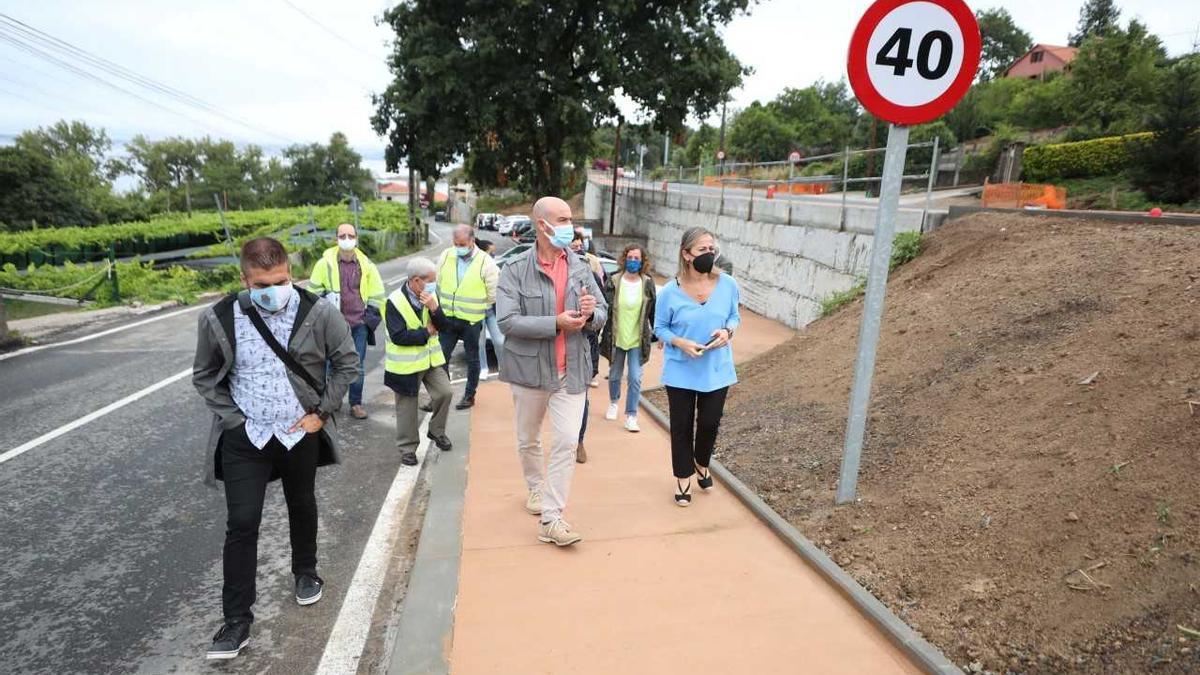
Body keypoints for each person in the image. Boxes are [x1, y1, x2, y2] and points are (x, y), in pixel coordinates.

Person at [193, 237, 359, 660]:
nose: (274, 289)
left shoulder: (318, 311)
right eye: (263, 283)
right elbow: (205, 376)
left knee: (301, 502)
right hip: (245, 438)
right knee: (242, 523)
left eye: (281, 280)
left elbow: (347, 363)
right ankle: (236, 622)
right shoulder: (218, 318)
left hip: (298, 431)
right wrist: (235, 421)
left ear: (290, 272)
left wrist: (321, 413)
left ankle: (306, 572)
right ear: (245, 279)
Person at [496, 196, 607, 546]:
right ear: (542, 224)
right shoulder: (514, 270)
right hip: (530, 372)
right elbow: (507, 321)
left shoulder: (579, 266)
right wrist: (555, 324)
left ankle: (552, 517)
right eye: (562, 219)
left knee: (565, 442)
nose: (569, 225)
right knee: (528, 438)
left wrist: (590, 314)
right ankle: (534, 488)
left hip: (571, 371)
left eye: (570, 218)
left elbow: (602, 310)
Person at [653, 227, 740, 508]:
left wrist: (728, 331)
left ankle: (702, 462)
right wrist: (679, 341)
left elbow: (734, 317)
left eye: (712, 249)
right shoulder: (669, 291)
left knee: (709, 423)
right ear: (686, 255)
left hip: (717, 369)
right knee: (680, 426)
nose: (709, 254)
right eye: (702, 249)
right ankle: (683, 477)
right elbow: (659, 328)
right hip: (680, 369)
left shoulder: (728, 284)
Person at [306, 223, 386, 420]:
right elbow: (312, 293)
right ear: (336, 239)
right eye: (343, 235)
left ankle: (356, 403)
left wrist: (369, 320)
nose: (347, 239)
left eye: (351, 235)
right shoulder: (324, 264)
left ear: (356, 238)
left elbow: (377, 295)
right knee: (330, 366)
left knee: (356, 366)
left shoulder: (366, 265)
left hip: (359, 324)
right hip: (333, 325)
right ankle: (331, 403)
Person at [385, 257, 454, 466]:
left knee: (445, 392)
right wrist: (425, 332)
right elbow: (398, 336)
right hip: (405, 366)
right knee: (406, 408)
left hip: (430, 360)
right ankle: (408, 449)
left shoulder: (430, 296)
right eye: (430, 280)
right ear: (416, 281)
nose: (434, 283)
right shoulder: (394, 301)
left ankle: (436, 431)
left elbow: (443, 326)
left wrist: (434, 309)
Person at [435, 225, 499, 410]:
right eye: (455, 243)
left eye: (462, 244)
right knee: (440, 359)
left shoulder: (485, 261)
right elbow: (437, 281)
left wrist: (478, 307)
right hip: (448, 318)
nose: (458, 247)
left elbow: (493, 292)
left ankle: (469, 395)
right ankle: (442, 395)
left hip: (472, 320)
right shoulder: (447, 255)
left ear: (472, 241)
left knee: (473, 359)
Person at [600, 244, 656, 433]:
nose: (633, 261)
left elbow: (652, 311)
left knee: (634, 377)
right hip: (616, 336)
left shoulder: (647, 283)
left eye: (637, 258)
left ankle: (631, 415)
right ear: (624, 259)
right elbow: (604, 306)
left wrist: (658, 332)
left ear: (642, 262)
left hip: (637, 339)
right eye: (630, 258)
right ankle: (614, 402)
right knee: (615, 375)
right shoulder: (614, 280)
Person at [569, 231, 605, 462]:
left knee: (581, 396)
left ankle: (579, 440)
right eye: (572, 246)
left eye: (578, 246)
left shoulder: (588, 273)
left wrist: (590, 316)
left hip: (585, 341)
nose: (575, 250)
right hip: (554, 344)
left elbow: (602, 309)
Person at [474, 239, 505, 381]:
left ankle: (503, 367)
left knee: (499, 340)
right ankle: (483, 368)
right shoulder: (474, 267)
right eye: (491, 252)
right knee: (479, 343)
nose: (493, 255)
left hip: (491, 310)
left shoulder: (493, 267)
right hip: (477, 311)